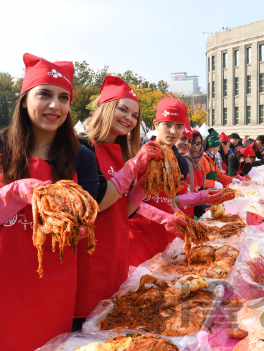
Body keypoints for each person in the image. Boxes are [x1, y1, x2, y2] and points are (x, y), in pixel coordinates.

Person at [0, 53, 99, 350]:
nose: (55, 106)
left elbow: (88, 223)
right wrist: (10, 195)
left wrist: (79, 228)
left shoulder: (83, 158)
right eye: (45, 94)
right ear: (24, 99)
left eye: (64, 98)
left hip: (52, 288)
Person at [74, 76, 163, 322]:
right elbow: (96, 205)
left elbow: (123, 212)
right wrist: (134, 167)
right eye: (122, 109)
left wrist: (143, 185)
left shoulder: (124, 153)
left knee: (110, 323)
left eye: (135, 115)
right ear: (105, 109)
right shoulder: (82, 149)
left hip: (116, 252)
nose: (129, 119)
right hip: (89, 255)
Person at [128, 99, 223, 268]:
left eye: (179, 126)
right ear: (156, 124)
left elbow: (170, 201)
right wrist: (163, 217)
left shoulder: (178, 160)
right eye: (168, 125)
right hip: (138, 237)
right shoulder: (138, 153)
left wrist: (201, 198)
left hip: (165, 237)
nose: (173, 131)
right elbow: (127, 202)